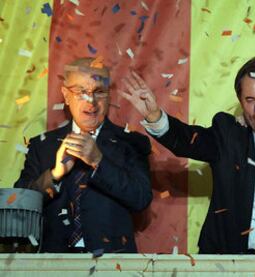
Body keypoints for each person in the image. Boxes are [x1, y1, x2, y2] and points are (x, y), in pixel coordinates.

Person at [120, 56, 255, 254]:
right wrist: (155, 116)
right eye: (250, 100)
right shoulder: (229, 134)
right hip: (235, 262)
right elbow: (188, 141)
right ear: (240, 101)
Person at [14, 57, 152, 253]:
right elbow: (20, 206)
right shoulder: (41, 146)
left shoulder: (132, 143)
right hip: (53, 265)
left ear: (109, 95)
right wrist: (54, 174)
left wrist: (99, 161)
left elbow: (141, 199)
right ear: (66, 95)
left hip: (113, 264)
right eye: (81, 92)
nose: (91, 101)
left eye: (99, 92)